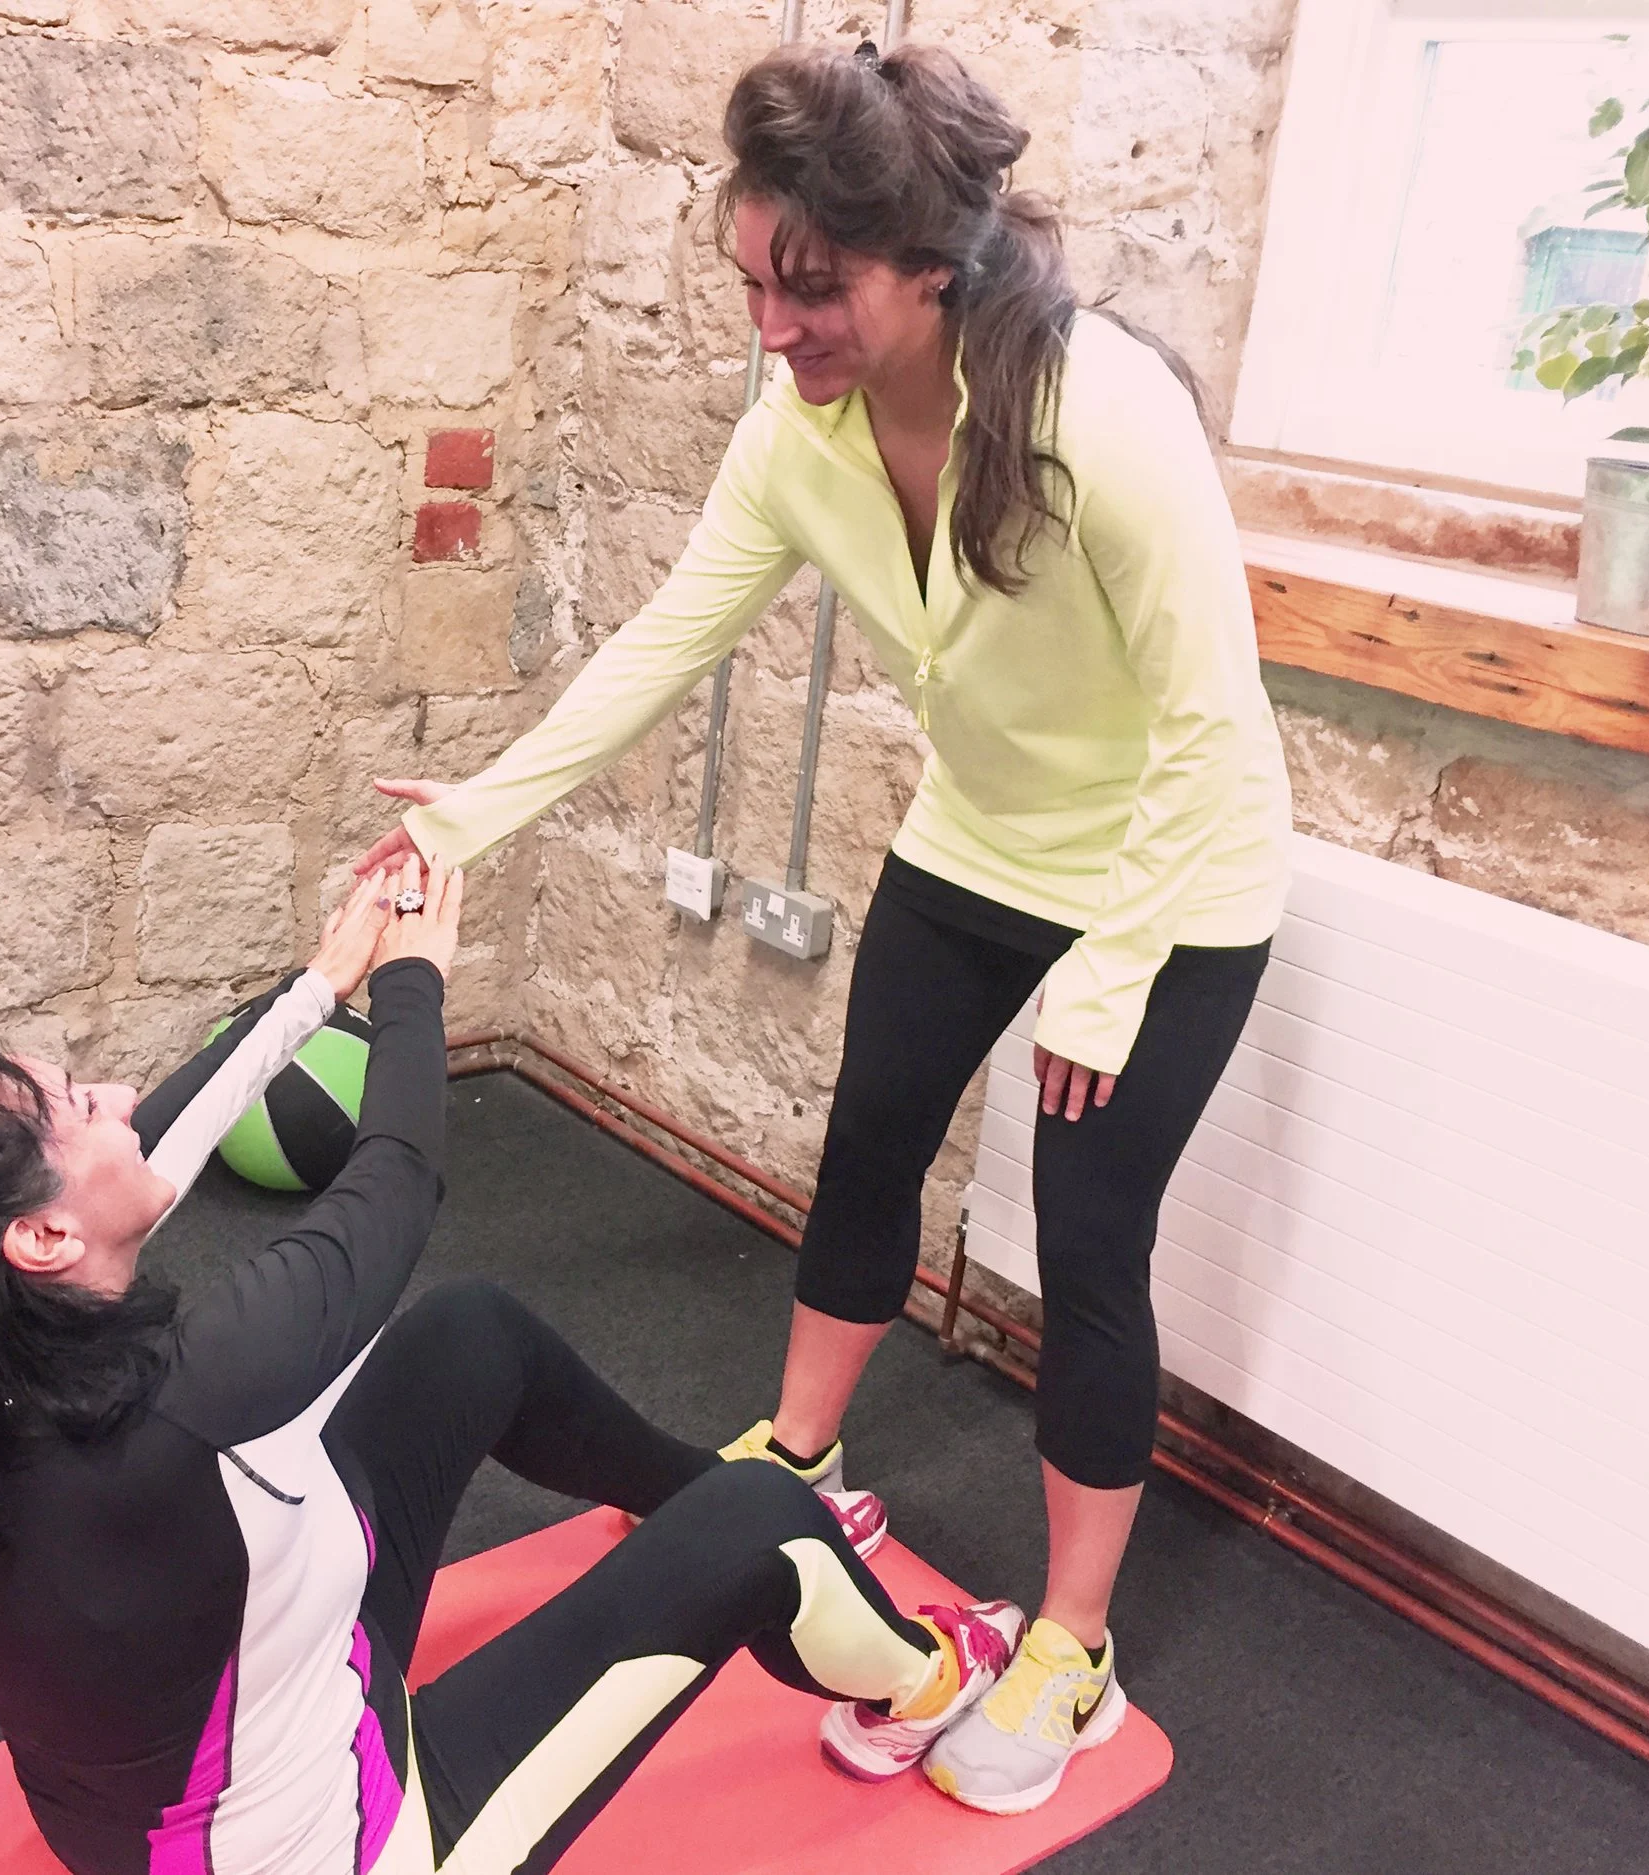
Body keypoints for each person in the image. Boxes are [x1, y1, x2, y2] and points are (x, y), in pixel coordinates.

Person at [355, 40, 1292, 1816]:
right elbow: (664, 642)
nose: (776, 329)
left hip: (1177, 876)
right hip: (983, 842)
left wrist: (1107, 977)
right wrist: (472, 808)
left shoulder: (1103, 415)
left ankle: (1073, 1646)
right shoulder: (803, 430)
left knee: (1088, 1240)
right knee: (867, 1145)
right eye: (753, 286)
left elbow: (1210, 730)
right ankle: (800, 1454)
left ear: (929, 264)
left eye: (816, 290)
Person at [0, 858, 1021, 1875]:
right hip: (355, 1846)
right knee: (767, 1521)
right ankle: (924, 1681)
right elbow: (395, 1178)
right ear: (41, 1235)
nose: (120, 1093)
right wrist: (415, 977)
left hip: (208, 1752)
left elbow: (159, 1152)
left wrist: (322, 981)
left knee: (467, 1337)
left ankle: (669, 1502)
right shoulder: (192, 1402)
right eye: (82, 1110)